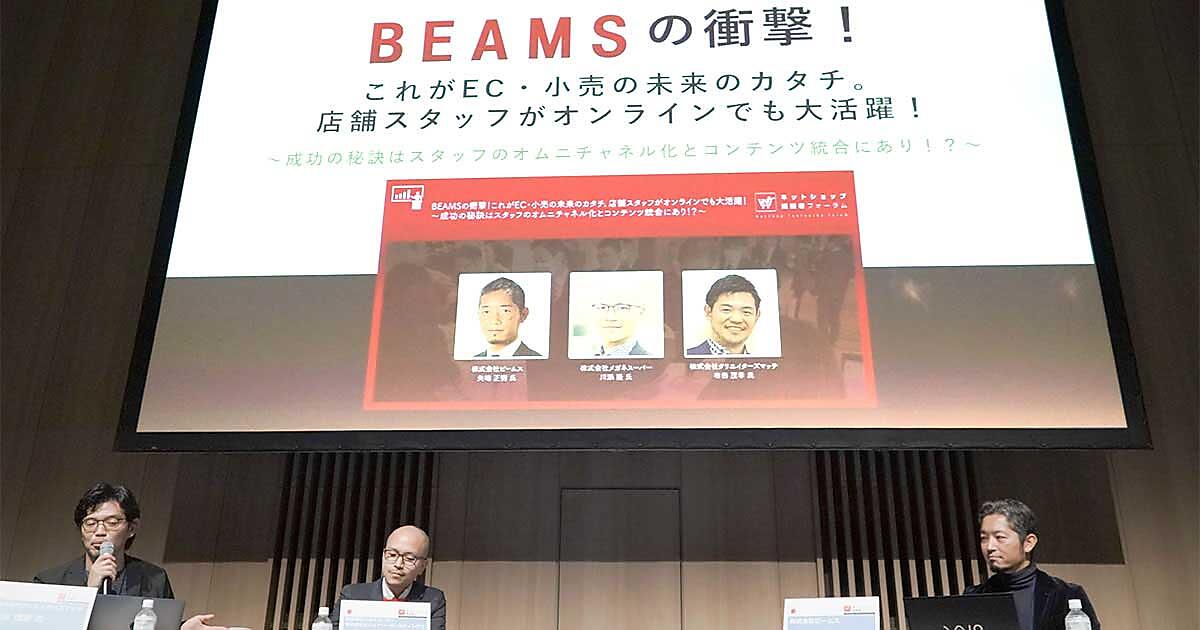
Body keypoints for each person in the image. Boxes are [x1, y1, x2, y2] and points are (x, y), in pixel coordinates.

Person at [33, 482, 228, 630]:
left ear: (132, 528)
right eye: (90, 523)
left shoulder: (154, 578)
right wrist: (88, 591)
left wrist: (181, 629)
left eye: (112, 522)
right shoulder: (49, 582)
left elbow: (159, 625)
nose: (99, 532)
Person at [965, 499, 1100, 630]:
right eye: (984, 538)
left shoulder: (1066, 594)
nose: (990, 547)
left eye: (999, 537)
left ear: (1028, 543)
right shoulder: (973, 597)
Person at [334, 525, 446, 630]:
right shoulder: (352, 595)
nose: (398, 564)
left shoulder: (433, 600)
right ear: (383, 556)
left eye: (409, 558)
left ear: (422, 566)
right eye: (392, 555)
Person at [686, 274, 762, 356]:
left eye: (746, 312)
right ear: (708, 312)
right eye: (726, 310)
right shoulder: (685, 358)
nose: (736, 319)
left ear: (757, 316)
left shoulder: (763, 362)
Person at [472, 277, 542, 358]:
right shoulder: (471, 362)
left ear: (523, 314)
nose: (495, 320)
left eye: (505, 311)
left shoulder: (538, 361)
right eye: (486, 312)